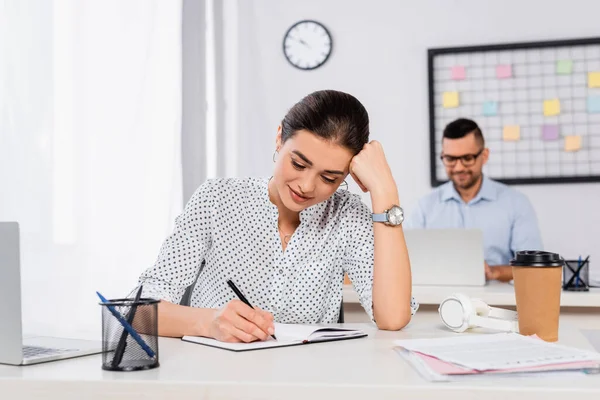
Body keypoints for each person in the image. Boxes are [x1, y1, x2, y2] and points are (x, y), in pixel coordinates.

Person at [138, 90, 418, 343]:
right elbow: (138, 313)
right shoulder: (217, 198)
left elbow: (393, 319)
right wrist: (208, 322)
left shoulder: (347, 215)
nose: (306, 186)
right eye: (298, 163)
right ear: (279, 137)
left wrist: (385, 190)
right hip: (217, 376)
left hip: (305, 381)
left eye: (330, 177)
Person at [405, 118, 542, 282]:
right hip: (439, 300)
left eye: (467, 158)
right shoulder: (425, 207)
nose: (459, 167)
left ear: (484, 156)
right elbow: (406, 263)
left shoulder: (516, 203)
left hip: (497, 302)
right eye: (450, 159)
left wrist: (493, 271)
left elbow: (533, 267)